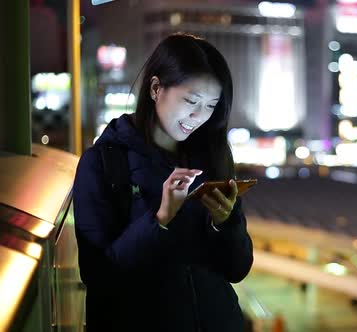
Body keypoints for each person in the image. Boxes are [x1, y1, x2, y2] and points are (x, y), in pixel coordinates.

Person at [73, 32, 253, 332]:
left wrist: (227, 223)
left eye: (211, 106)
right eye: (191, 101)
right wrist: (160, 220)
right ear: (156, 88)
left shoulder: (210, 159)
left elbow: (237, 269)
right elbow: (99, 277)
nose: (199, 116)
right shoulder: (102, 163)